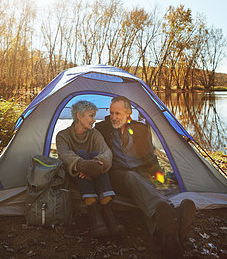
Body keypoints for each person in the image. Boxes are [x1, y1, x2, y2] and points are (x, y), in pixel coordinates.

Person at [95, 96, 196, 259]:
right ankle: (172, 212)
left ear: (129, 113)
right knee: (131, 177)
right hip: (118, 175)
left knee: (145, 190)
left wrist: (160, 178)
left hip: (141, 173)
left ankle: (167, 235)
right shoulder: (102, 128)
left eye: (118, 113)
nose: (114, 117)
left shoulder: (140, 129)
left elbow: (150, 158)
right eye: (111, 113)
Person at [56, 100, 125, 238]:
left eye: (94, 116)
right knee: (81, 154)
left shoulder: (94, 134)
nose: (94, 120)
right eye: (91, 116)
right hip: (75, 176)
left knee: (96, 155)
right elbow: (65, 155)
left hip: (94, 173)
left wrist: (96, 163)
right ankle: (94, 215)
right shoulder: (62, 136)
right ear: (79, 116)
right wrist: (82, 165)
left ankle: (107, 213)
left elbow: (107, 152)